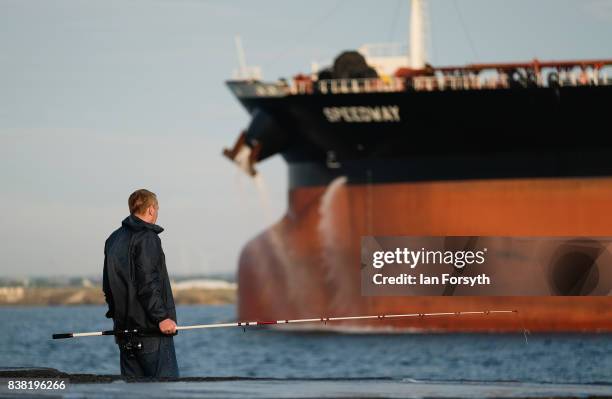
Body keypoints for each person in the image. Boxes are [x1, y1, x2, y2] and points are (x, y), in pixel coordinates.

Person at [102, 189, 179, 378]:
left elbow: (107, 286)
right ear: (151, 209)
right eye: (157, 209)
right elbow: (147, 282)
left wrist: (118, 319)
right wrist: (161, 317)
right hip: (151, 334)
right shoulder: (147, 237)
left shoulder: (113, 239)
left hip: (124, 335)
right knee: (166, 391)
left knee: (134, 393)